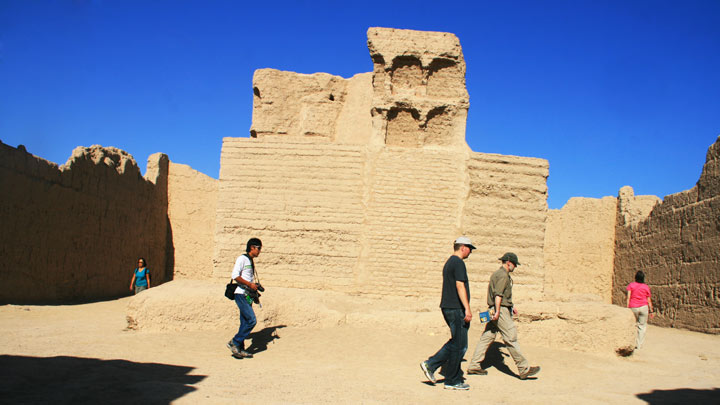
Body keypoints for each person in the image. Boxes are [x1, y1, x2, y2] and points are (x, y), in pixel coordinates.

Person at [466, 252, 540, 380]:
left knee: (486, 338)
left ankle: (474, 365)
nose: (515, 267)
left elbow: (502, 295)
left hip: (495, 309)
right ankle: (524, 369)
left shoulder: (497, 274)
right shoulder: (503, 276)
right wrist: (499, 311)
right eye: (515, 264)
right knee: (511, 338)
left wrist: (511, 306)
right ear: (509, 262)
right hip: (500, 311)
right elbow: (498, 295)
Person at [420, 236, 475, 390]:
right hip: (456, 308)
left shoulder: (450, 262)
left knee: (457, 343)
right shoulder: (458, 263)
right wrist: (467, 308)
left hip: (448, 307)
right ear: (463, 247)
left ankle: (451, 376)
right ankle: (439, 371)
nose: (470, 252)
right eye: (470, 248)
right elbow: (459, 286)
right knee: (460, 345)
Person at [227, 238, 262, 359]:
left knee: (244, 322)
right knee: (252, 320)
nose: (259, 251)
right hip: (241, 294)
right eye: (259, 248)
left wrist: (254, 289)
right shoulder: (242, 259)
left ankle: (240, 349)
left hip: (248, 295)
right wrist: (249, 285)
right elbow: (235, 275)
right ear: (252, 247)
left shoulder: (250, 260)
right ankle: (235, 342)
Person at [626, 270, 654, 349]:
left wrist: (627, 308)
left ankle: (629, 343)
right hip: (643, 307)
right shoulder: (646, 287)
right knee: (642, 326)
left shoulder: (631, 285)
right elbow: (648, 300)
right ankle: (639, 345)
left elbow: (628, 297)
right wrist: (651, 310)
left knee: (631, 324)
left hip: (633, 307)